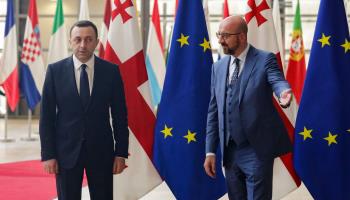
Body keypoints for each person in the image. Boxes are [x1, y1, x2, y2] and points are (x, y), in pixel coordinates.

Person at [204, 16, 292, 200]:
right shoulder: (218, 68)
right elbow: (214, 112)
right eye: (219, 34)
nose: (220, 40)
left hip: (256, 149)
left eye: (226, 36)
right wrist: (210, 151)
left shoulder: (264, 59)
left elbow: (277, 80)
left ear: (242, 37)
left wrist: (283, 93)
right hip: (230, 153)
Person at [39, 20, 129, 200]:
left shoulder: (111, 71)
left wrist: (120, 153)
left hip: (102, 151)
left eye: (88, 40)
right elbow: (46, 117)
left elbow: (120, 115)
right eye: (78, 39)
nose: (82, 45)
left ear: (96, 42)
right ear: (70, 41)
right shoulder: (54, 71)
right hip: (65, 152)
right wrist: (48, 155)